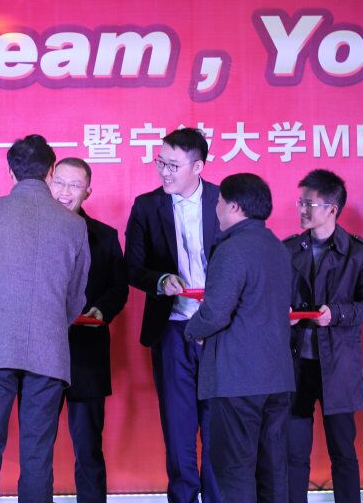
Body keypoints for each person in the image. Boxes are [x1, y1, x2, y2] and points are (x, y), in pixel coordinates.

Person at [0, 135, 90, 503]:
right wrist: (52, 324)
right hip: (49, 350)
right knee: (37, 455)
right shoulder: (74, 225)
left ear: (10, 171)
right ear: (51, 171)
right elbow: (76, 296)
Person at [125, 127, 221, 503]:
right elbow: (133, 267)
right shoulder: (147, 206)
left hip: (218, 330)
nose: (164, 172)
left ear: (198, 167)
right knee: (179, 427)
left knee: (217, 425)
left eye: (173, 165)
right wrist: (160, 280)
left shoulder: (223, 202)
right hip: (172, 329)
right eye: (160, 163)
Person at [185, 173, 294, 502]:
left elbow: (216, 312)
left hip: (237, 380)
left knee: (235, 471)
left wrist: (192, 330)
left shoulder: (232, 249)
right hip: (277, 378)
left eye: (219, 202)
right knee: (271, 470)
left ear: (234, 206)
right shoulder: (278, 247)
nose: (216, 208)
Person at [284, 169, 363, 503]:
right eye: (300, 202)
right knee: (293, 452)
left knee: (343, 451)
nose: (302, 210)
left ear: (332, 209)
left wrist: (336, 314)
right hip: (296, 363)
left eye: (309, 204)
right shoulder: (288, 249)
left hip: (337, 364)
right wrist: (284, 316)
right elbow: (272, 299)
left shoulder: (359, 252)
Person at [49, 157, 129, 503]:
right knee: (37, 447)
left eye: (75, 185)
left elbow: (118, 287)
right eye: (59, 182)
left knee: (88, 449)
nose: (65, 192)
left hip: (87, 354)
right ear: (49, 184)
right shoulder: (29, 233)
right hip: (40, 356)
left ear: (88, 192)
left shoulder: (105, 236)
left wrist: (102, 310)